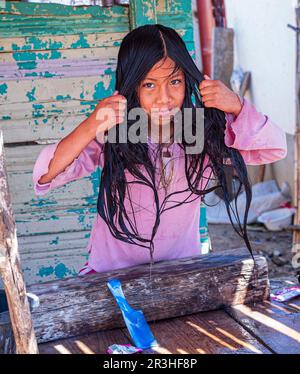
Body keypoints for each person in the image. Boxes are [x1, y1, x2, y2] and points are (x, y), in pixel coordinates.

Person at [33, 24, 287, 275]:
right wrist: (91, 125)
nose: (164, 98)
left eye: (174, 81)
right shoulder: (114, 134)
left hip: (180, 274)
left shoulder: (201, 133)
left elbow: (275, 148)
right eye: (149, 85)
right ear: (133, 86)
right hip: (111, 277)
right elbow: (46, 176)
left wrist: (238, 106)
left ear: (188, 80)